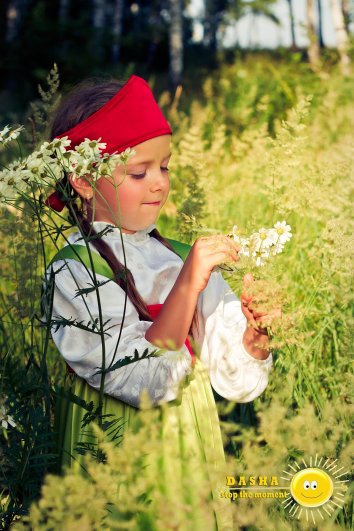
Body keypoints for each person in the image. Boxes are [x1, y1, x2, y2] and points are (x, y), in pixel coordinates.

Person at [45, 75, 278, 529]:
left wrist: (255, 337)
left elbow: (233, 379)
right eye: (139, 172)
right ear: (84, 181)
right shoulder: (74, 270)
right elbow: (144, 381)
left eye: (165, 167)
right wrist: (188, 284)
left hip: (191, 442)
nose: (158, 185)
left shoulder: (173, 254)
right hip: (112, 445)